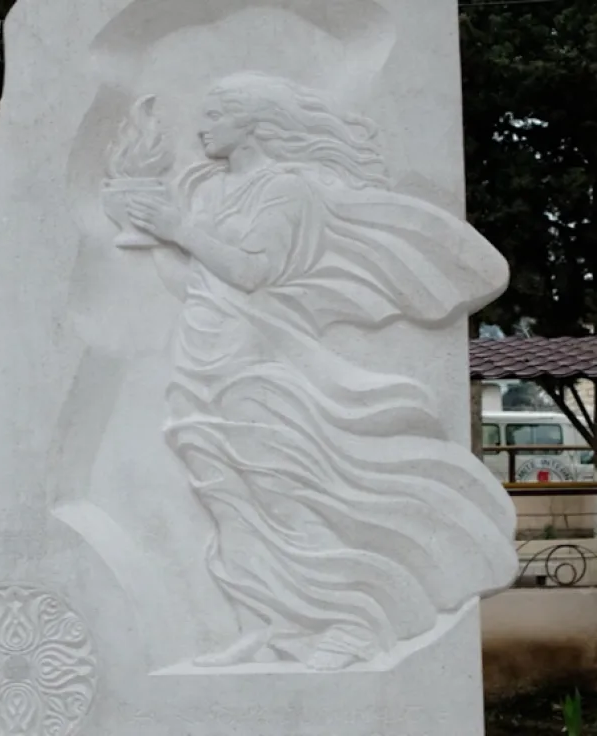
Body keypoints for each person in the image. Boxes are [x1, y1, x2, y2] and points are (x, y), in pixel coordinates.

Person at [125, 73, 517, 671]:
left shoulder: (285, 190)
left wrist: (176, 229)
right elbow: (196, 282)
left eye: (215, 113)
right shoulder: (208, 192)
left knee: (282, 493)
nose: (201, 125)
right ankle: (272, 625)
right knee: (227, 500)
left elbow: (253, 272)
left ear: (252, 123)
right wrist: (154, 237)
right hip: (199, 361)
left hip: (259, 365)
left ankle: (351, 622)